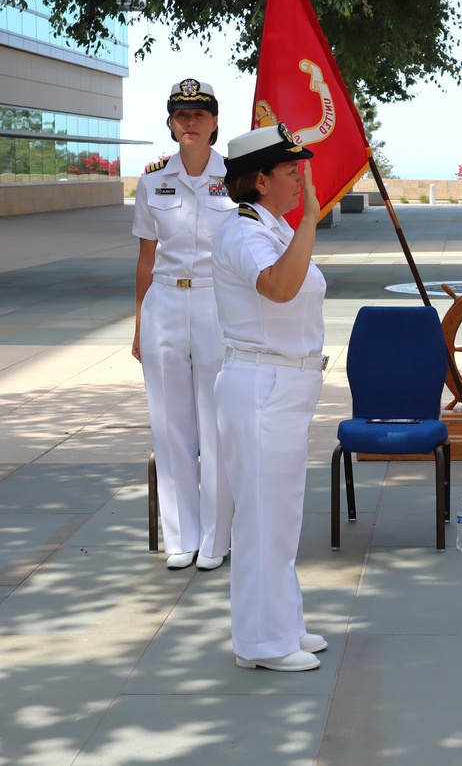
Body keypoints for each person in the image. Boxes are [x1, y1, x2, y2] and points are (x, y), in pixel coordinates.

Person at [212, 124, 329, 672]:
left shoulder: (272, 227)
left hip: (283, 387)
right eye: (290, 170)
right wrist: (309, 220)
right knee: (261, 518)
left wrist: (300, 223)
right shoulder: (243, 232)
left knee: (280, 516)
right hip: (260, 386)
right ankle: (261, 643)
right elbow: (280, 288)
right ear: (260, 180)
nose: (300, 178)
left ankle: (284, 625)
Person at [131, 78, 234, 571]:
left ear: (215, 121)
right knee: (170, 426)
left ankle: (216, 538)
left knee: (217, 426)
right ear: (171, 123)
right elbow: (146, 259)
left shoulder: (236, 179)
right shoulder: (152, 181)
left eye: (199, 114)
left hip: (217, 305)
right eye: (180, 115)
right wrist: (138, 325)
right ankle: (181, 537)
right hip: (165, 306)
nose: (189, 123)